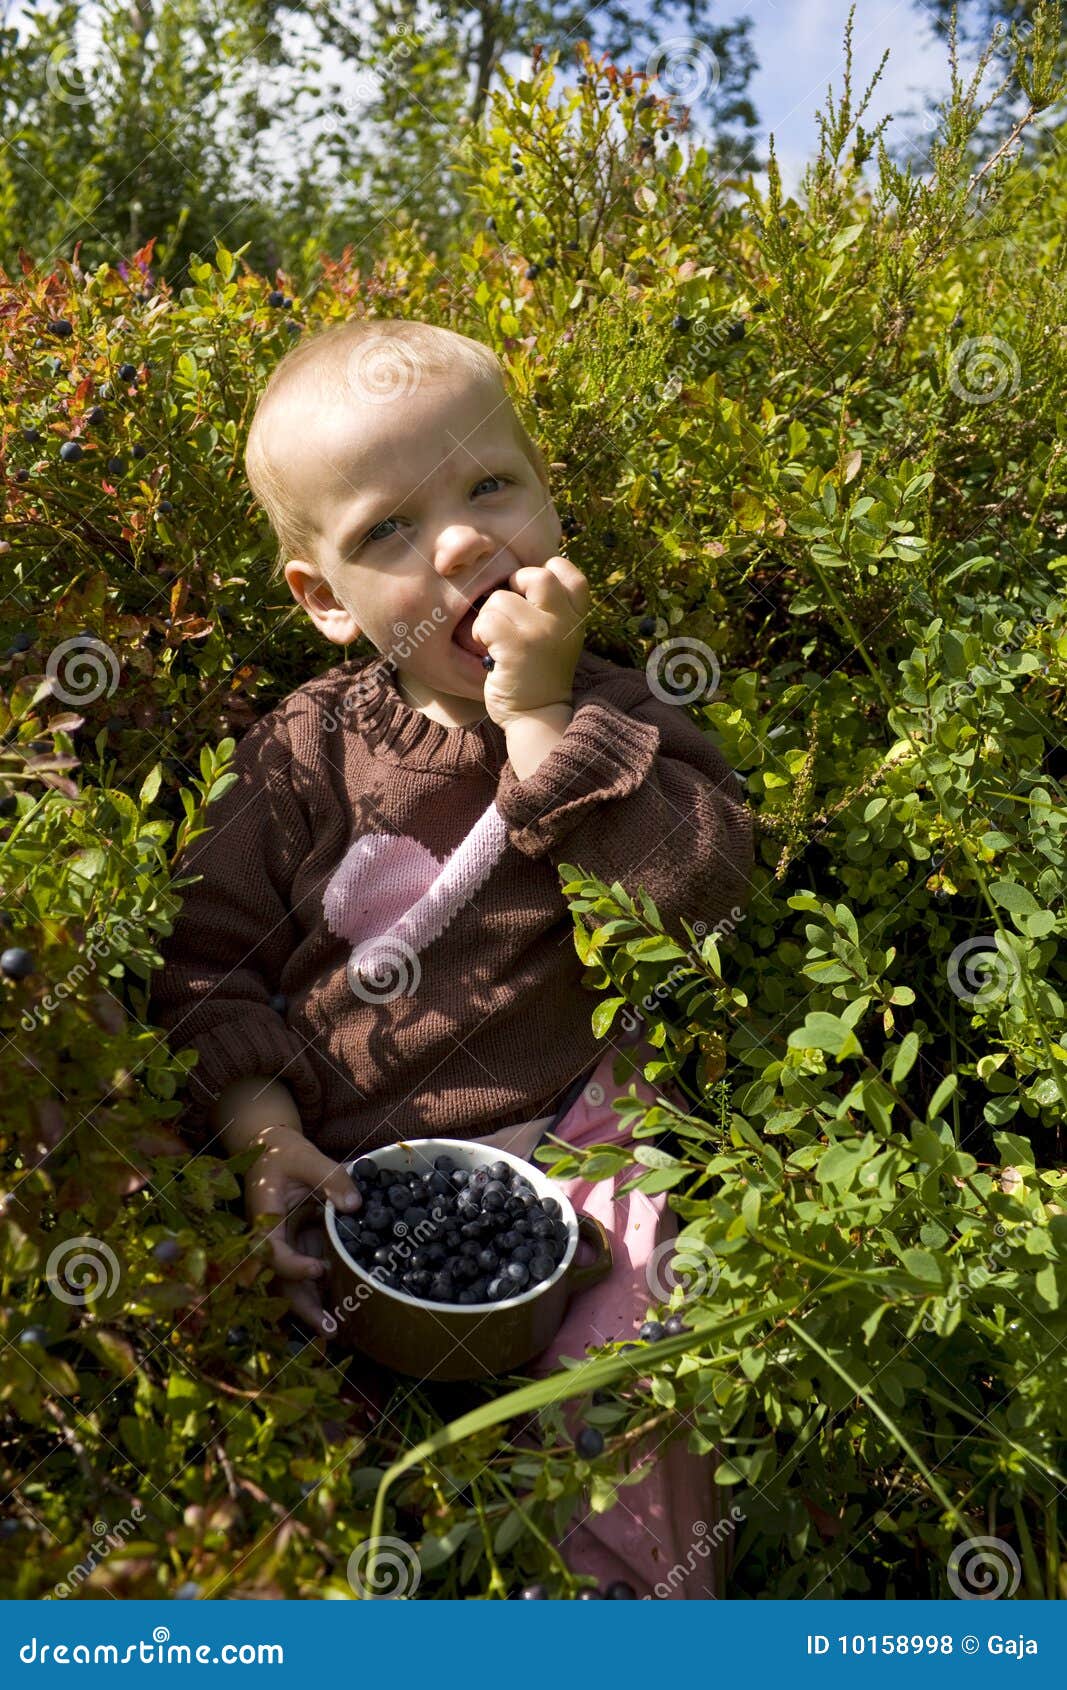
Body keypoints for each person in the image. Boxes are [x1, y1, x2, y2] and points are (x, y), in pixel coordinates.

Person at [147, 315, 754, 1597]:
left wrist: (537, 720)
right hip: (345, 1164)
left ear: (546, 496)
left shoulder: (613, 713)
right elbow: (205, 971)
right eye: (389, 529)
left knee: (635, 1352)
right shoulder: (300, 756)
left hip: (571, 1128)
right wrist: (263, 1140)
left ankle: (638, 1606)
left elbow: (700, 896)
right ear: (324, 599)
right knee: (288, 1401)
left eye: (489, 486)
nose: (464, 543)